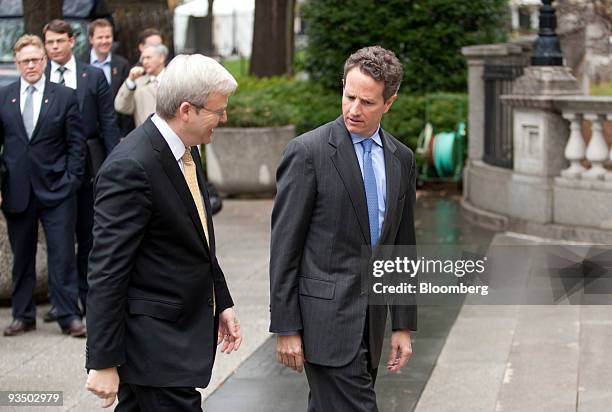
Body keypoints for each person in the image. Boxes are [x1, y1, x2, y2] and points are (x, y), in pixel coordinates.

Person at [85, 54, 242, 411]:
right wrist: (103, 361)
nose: (224, 117)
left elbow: (196, 237)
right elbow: (107, 271)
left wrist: (222, 301)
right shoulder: (131, 166)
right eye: (218, 110)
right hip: (155, 350)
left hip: (173, 345)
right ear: (186, 110)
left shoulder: (188, 150)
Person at [269, 45, 417, 411]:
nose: (353, 109)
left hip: (372, 323)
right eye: (349, 96)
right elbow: (285, 247)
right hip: (325, 325)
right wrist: (286, 327)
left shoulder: (402, 159)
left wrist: (402, 324)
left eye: (367, 102)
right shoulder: (307, 153)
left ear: (389, 102)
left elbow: (401, 245)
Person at [0, 34, 86, 337]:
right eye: (25, 61)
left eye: (36, 59)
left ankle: (68, 315)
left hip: (58, 191)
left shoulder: (63, 95)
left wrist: (72, 180)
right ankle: (22, 316)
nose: (31, 65)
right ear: (17, 63)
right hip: (17, 190)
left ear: (44, 61)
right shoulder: (4, 96)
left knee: (62, 256)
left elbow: (77, 144)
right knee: (21, 257)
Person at [42, 19, 121, 321]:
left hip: (90, 160)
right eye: (49, 43)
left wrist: (115, 164)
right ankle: (62, 301)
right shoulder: (41, 74)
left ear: (72, 42)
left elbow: (108, 121)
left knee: (88, 233)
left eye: (59, 41)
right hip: (52, 162)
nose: (54, 48)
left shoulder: (92, 76)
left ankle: (90, 299)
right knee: (59, 237)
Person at [85, 18, 134, 136]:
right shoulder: (81, 63)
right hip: (88, 132)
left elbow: (126, 100)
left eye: (108, 37)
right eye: (100, 37)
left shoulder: (122, 65)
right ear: (91, 39)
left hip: (114, 130)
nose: (104, 41)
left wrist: (124, 134)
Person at [114, 43, 167, 127]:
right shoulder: (138, 83)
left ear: (161, 58)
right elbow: (120, 107)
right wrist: (130, 80)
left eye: (148, 57)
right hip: (148, 137)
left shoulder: (174, 80)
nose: (145, 62)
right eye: (143, 58)